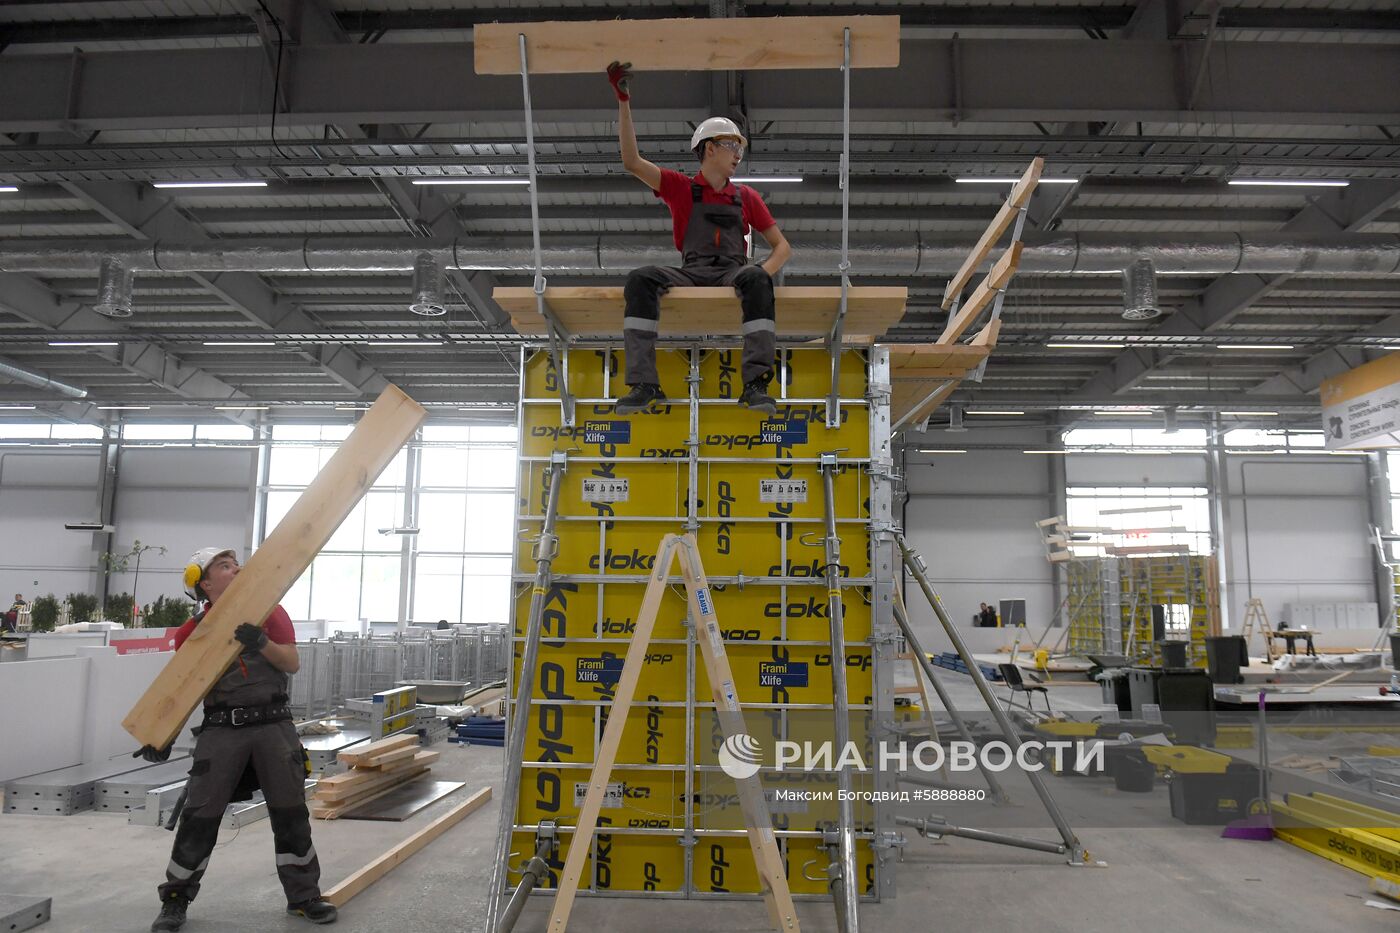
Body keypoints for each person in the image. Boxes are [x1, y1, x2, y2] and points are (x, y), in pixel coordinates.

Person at [138, 547, 336, 931]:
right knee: (200, 817)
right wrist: (161, 737)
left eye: (236, 564)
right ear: (204, 584)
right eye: (224, 567)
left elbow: (291, 662)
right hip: (221, 730)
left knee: (291, 814)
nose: (237, 569)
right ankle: (175, 898)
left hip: (273, 726)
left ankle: (304, 896)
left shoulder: (270, 613)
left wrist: (261, 642)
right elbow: (182, 691)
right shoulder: (191, 634)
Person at [607, 60, 793, 415]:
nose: (738, 155)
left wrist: (759, 275)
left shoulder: (747, 197)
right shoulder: (680, 188)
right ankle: (644, 384)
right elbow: (632, 161)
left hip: (732, 271)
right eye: (731, 147)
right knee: (640, 279)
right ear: (710, 148)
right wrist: (623, 100)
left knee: (756, 276)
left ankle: (755, 385)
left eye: (740, 149)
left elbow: (783, 248)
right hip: (690, 271)